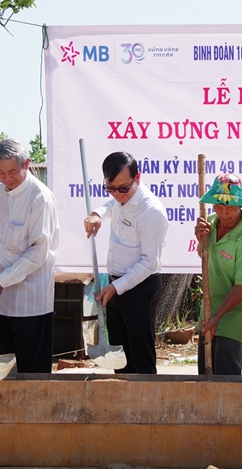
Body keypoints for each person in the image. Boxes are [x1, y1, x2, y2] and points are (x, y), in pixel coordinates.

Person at [0, 139, 60, 374]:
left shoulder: (41, 198)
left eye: (12, 172)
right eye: (0, 172)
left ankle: (36, 411)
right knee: (6, 366)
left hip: (30, 300)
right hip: (2, 297)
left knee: (33, 370)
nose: (6, 178)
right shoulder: (1, 190)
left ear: (26, 164)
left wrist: (2, 280)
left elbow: (38, 251)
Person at [84, 151, 168, 374]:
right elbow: (111, 205)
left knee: (141, 358)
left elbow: (150, 262)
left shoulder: (151, 212)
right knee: (119, 357)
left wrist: (115, 287)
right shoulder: (119, 198)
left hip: (140, 288)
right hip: (116, 286)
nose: (117, 194)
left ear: (137, 178)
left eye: (123, 188)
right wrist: (97, 214)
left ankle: (147, 406)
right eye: (110, 188)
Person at [193, 174, 242, 375]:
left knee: (226, 364)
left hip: (237, 305)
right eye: (218, 207)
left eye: (230, 208)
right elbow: (204, 255)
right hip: (211, 301)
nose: (223, 214)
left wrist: (217, 317)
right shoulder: (210, 223)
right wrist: (200, 239)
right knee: (206, 366)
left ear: (241, 207)